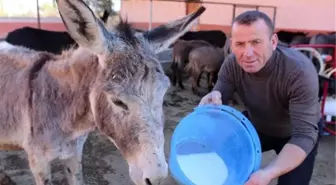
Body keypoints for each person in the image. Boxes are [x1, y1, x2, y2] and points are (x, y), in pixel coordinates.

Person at [199, 11, 323, 185]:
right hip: (256, 126)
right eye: (240, 44)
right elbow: (219, 101)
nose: (247, 53)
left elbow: (304, 135)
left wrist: (268, 172)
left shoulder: (299, 72)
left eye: (256, 42)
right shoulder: (232, 65)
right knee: (222, 161)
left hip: (296, 133)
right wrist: (212, 101)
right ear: (231, 44)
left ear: (273, 42)